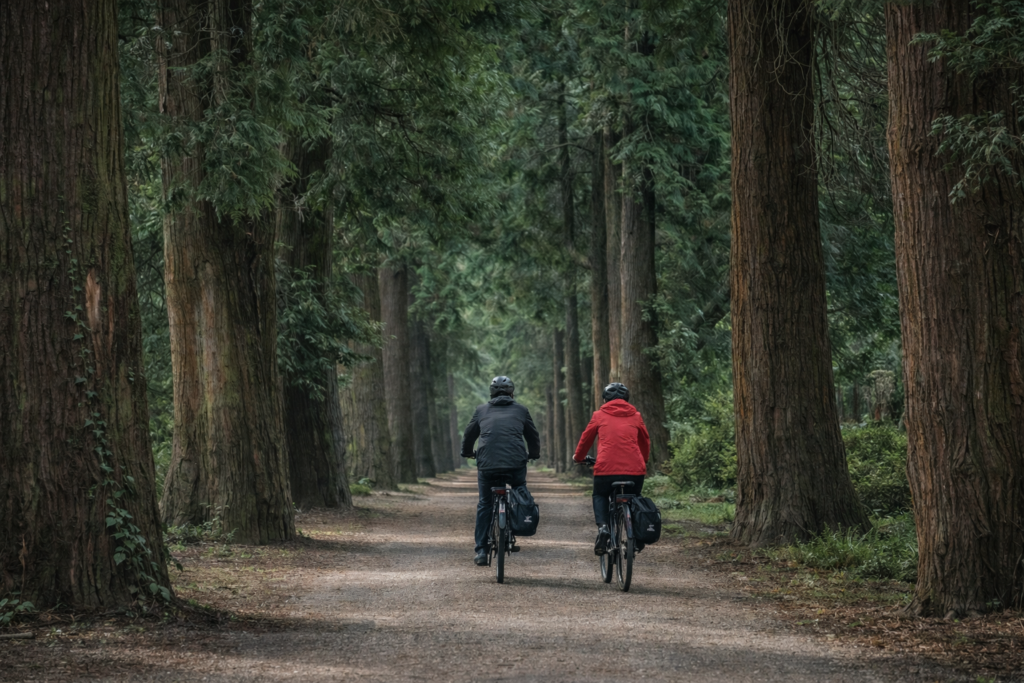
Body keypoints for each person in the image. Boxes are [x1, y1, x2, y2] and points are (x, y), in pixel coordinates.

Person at [461, 376, 541, 566]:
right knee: (519, 489)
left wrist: (467, 452)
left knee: (485, 504)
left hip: (487, 465)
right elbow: (532, 435)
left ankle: (481, 550)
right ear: (512, 393)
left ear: (491, 393)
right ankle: (515, 528)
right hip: (516, 465)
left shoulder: (481, 410)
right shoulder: (521, 410)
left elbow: (469, 434)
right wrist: (534, 454)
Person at [572, 382, 650, 555]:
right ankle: (636, 534)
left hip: (606, 469)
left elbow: (586, 439)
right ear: (627, 399)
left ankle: (604, 528)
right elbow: (645, 441)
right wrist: (643, 460)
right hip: (635, 470)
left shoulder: (599, 415)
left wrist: (579, 458)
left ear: (605, 399)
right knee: (635, 498)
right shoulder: (636, 416)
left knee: (600, 494)